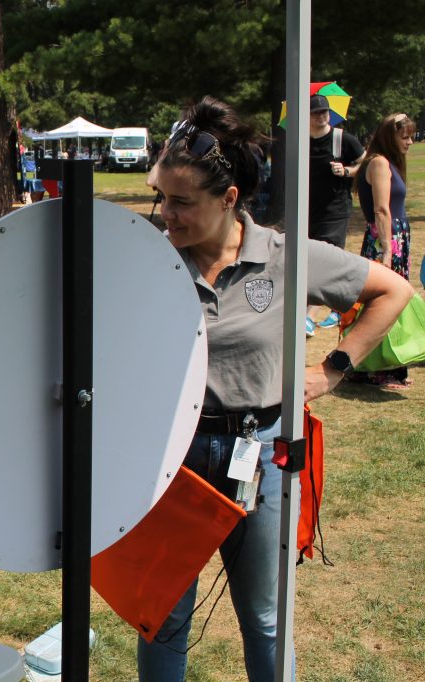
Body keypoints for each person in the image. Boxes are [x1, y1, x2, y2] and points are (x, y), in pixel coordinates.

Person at [142, 96, 411, 681]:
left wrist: (333, 367)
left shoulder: (286, 260)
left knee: (264, 617)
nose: (167, 214)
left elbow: (394, 291)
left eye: (182, 202)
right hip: (172, 460)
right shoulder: (147, 260)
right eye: (161, 197)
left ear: (230, 200)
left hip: (260, 454)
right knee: (162, 618)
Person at [353, 112, 417, 389]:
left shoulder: (388, 162)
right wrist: (387, 251)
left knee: (393, 306)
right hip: (385, 241)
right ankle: (371, 370)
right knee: (379, 305)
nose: (410, 142)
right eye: (405, 137)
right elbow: (381, 210)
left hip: (395, 240)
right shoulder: (378, 163)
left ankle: (391, 368)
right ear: (389, 137)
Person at [305, 93, 366, 336]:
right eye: (316, 112)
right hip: (308, 211)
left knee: (325, 258)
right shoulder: (300, 140)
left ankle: (308, 316)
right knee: (311, 259)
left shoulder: (343, 139)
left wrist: (348, 170)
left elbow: (366, 163)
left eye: (324, 112)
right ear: (306, 116)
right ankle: (340, 305)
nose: (321, 116)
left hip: (336, 210)